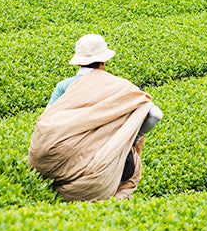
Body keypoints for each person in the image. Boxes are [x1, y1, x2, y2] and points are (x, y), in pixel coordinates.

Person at [27, 33, 163, 202]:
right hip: (99, 174)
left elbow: (47, 122)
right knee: (129, 163)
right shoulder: (120, 87)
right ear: (104, 61)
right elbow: (156, 114)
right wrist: (132, 140)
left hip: (54, 166)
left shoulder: (64, 86)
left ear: (78, 61)